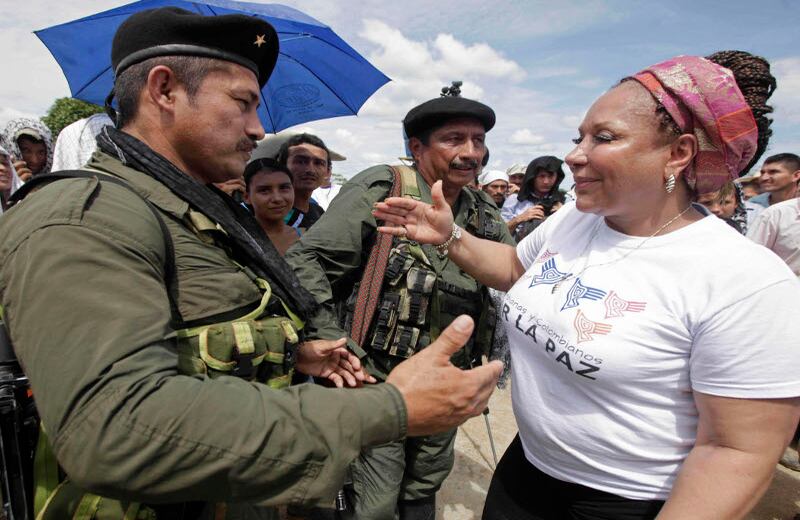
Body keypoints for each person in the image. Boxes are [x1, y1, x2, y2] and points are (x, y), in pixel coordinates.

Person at [0, 8, 502, 519]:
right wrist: (387, 409)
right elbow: (115, 430)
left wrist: (289, 352)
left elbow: (197, 341)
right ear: (164, 89)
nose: (259, 129)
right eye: (242, 103)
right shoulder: (84, 218)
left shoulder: (189, 213)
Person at [374, 51, 800, 520]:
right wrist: (450, 236)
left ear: (678, 153)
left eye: (604, 138)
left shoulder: (747, 283)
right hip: (526, 472)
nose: (574, 155)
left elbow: (736, 451)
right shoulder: (578, 219)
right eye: (579, 137)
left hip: (623, 502)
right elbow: (517, 270)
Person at [286, 90, 514, 520]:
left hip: (449, 375)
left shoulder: (482, 208)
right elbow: (308, 259)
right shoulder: (384, 185)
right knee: (374, 496)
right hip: (378, 377)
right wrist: (331, 336)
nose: (471, 153)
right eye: (453, 139)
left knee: (426, 480)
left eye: (478, 140)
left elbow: (512, 269)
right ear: (417, 147)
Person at [244, 157, 300, 255]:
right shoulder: (237, 239)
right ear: (246, 197)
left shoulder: (306, 237)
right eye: (264, 190)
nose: (277, 198)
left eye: (284, 188)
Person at [501, 156, 566, 241]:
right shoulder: (515, 200)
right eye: (541, 176)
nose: (546, 181)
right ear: (532, 177)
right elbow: (500, 233)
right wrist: (519, 219)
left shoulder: (565, 201)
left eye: (550, 176)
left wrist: (565, 214)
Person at [277, 133, 329, 231]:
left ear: (328, 171)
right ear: (282, 166)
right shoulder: (272, 214)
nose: (310, 170)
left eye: (318, 163)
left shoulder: (319, 212)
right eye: (301, 162)